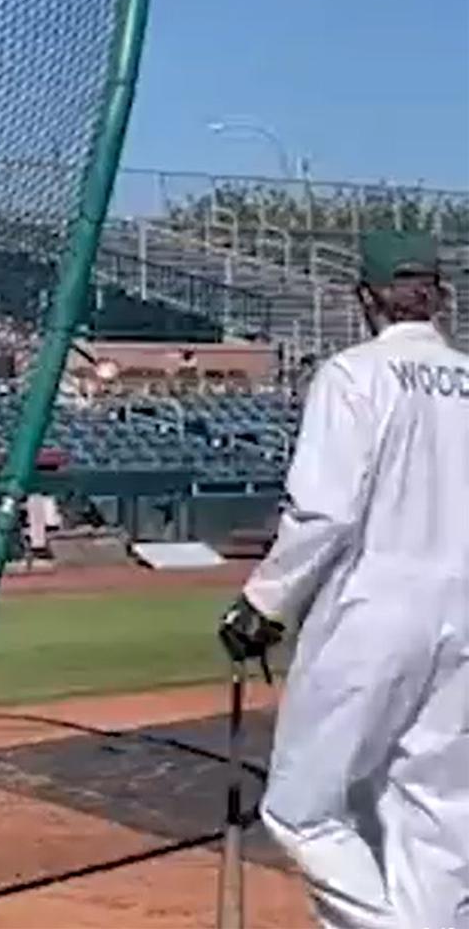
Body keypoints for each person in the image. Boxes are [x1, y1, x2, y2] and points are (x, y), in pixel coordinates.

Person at [218, 230, 469, 929]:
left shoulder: (353, 374)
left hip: (373, 611)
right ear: (437, 297)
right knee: (440, 817)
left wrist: (262, 602)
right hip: (466, 614)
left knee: (301, 810)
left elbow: (325, 511)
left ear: (367, 297)